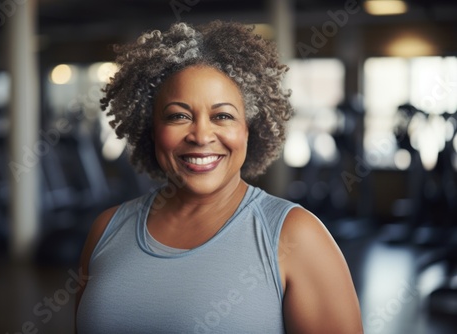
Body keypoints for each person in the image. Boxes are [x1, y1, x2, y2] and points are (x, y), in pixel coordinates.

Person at [75, 21, 363, 333]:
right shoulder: (106, 229)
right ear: (152, 129)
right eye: (178, 116)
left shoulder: (297, 236)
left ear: (248, 130)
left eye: (222, 116)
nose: (201, 135)